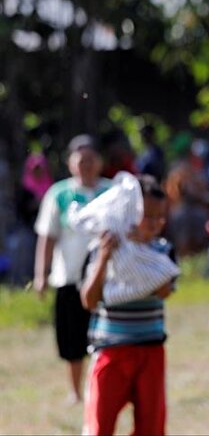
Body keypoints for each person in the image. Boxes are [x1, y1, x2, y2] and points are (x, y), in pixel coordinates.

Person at [80, 175, 176, 436]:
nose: (154, 224)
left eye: (160, 217)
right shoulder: (101, 249)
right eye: (147, 216)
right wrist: (104, 257)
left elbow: (164, 290)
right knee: (101, 423)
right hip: (111, 350)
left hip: (150, 349)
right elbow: (89, 300)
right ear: (127, 212)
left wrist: (139, 250)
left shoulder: (162, 251)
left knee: (151, 424)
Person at [34, 135, 112, 403]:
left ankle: (101, 388)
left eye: (91, 159)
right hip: (67, 277)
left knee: (105, 336)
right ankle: (76, 392)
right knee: (71, 340)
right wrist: (40, 274)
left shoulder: (112, 191)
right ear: (70, 164)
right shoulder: (59, 194)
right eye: (81, 160)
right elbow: (47, 236)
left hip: (107, 279)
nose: (86, 165)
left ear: (99, 162)